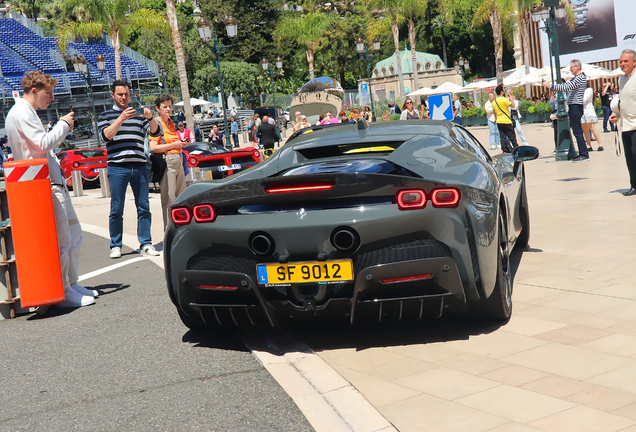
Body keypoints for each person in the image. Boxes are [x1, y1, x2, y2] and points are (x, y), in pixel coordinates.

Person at [6, 71, 97, 307]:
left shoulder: (23, 111)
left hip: (48, 180)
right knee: (64, 240)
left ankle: (71, 283)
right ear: (34, 91)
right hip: (43, 183)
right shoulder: (22, 112)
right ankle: (65, 289)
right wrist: (63, 124)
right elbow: (44, 143)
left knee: (72, 234)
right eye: (49, 93)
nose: (52, 98)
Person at [98, 79, 161, 259]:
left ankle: (146, 243)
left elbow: (155, 132)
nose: (123, 97)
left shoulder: (138, 116)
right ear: (113, 95)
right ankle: (116, 245)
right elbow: (106, 136)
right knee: (116, 208)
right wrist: (121, 119)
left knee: (143, 207)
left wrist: (150, 118)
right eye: (120, 94)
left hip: (139, 166)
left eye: (126, 94)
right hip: (117, 167)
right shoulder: (106, 116)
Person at [148, 94, 188, 228]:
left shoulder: (170, 122)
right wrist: (173, 145)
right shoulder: (156, 124)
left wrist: (180, 144)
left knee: (181, 197)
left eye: (170, 106)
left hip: (178, 160)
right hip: (167, 162)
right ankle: (169, 231)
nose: (168, 109)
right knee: (169, 200)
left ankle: (181, 229)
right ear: (157, 109)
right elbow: (153, 147)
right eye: (165, 107)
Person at [543, 59, 588, 162]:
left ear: (577, 67)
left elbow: (566, 86)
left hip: (576, 106)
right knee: (577, 131)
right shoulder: (576, 78)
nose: (571, 69)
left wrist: (550, 86)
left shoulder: (580, 78)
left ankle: (584, 154)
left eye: (572, 67)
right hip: (574, 106)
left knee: (577, 131)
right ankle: (582, 153)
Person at [610, 49, 636, 196]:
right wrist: (616, 115)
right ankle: (634, 185)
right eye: (621, 61)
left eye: (626, 61)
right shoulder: (621, 80)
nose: (623, 64)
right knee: (630, 158)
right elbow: (623, 101)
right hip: (625, 126)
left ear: (634, 62)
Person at [493, 84, 518, 153]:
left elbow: (494, 112)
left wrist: (497, 119)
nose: (505, 90)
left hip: (499, 121)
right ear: (501, 91)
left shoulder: (494, 102)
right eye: (504, 89)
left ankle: (505, 150)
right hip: (506, 121)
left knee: (503, 136)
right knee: (511, 136)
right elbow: (513, 106)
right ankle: (516, 148)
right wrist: (511, 99)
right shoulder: (504, 100)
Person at [581, 87, 603, 152]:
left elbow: (584, 99)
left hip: (588, 110)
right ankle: (589, 145)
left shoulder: (589, 89)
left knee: (592, 128)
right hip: (582, 111)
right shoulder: (580, 90)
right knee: (585, 129)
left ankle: (600, 144)